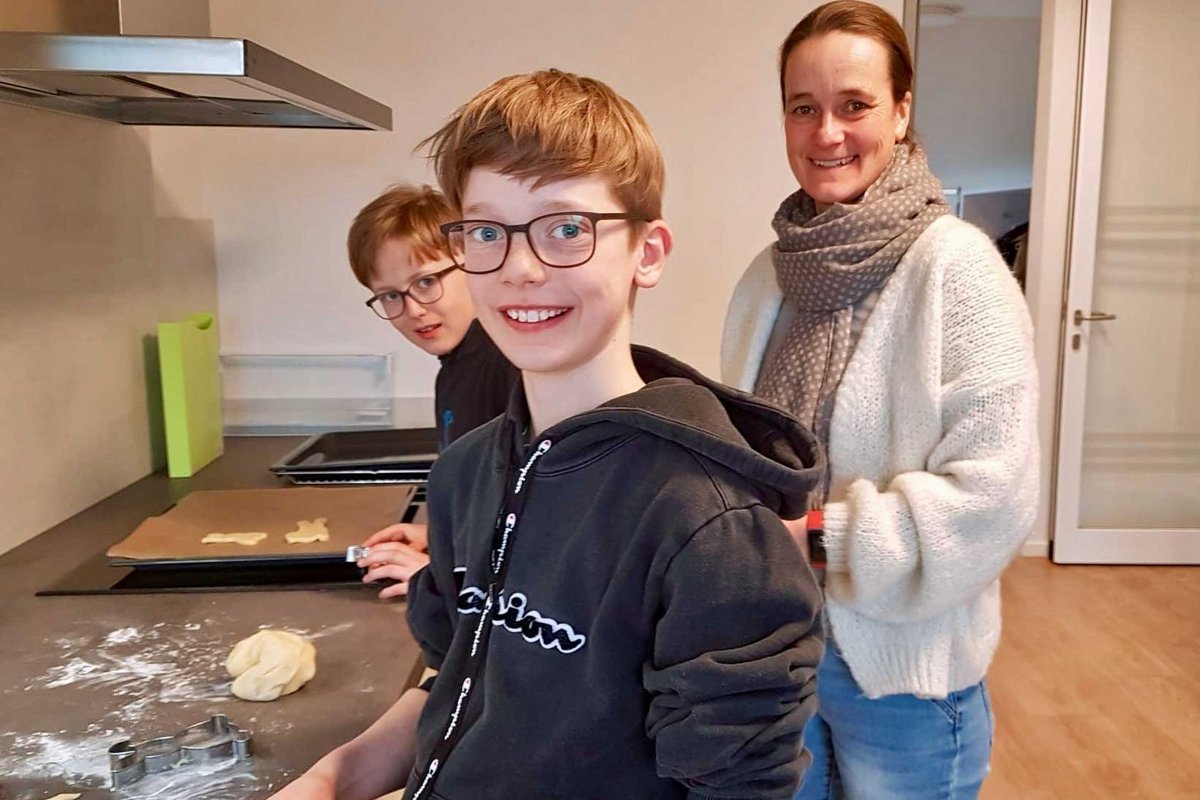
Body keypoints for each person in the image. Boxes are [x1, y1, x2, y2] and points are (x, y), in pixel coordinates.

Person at [270, 68, 825, 800]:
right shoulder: (466, 474)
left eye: (567, 229)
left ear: (648, 252)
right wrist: (331, 779)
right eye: (487, 232)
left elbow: (738, 786)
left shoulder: (709, 523)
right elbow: (462, 685)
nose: (521, 269)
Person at [722, 3, 1039, 798]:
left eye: (854, 104)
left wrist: (817, 540)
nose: (826, 132)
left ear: (900, 112)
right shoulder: (767, 275)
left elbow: (993, 500)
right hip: (778, 650)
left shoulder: (957, 269)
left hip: (903, 681)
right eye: (803, 107)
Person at [346, 184, 520, 598]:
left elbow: (543, 522)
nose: (413, 310)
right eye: (390, 296)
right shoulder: (456, 367)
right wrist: (443, 539)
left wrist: (445, 577)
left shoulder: (507, 364)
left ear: (471, 263)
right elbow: (487, 498)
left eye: (426, 282)